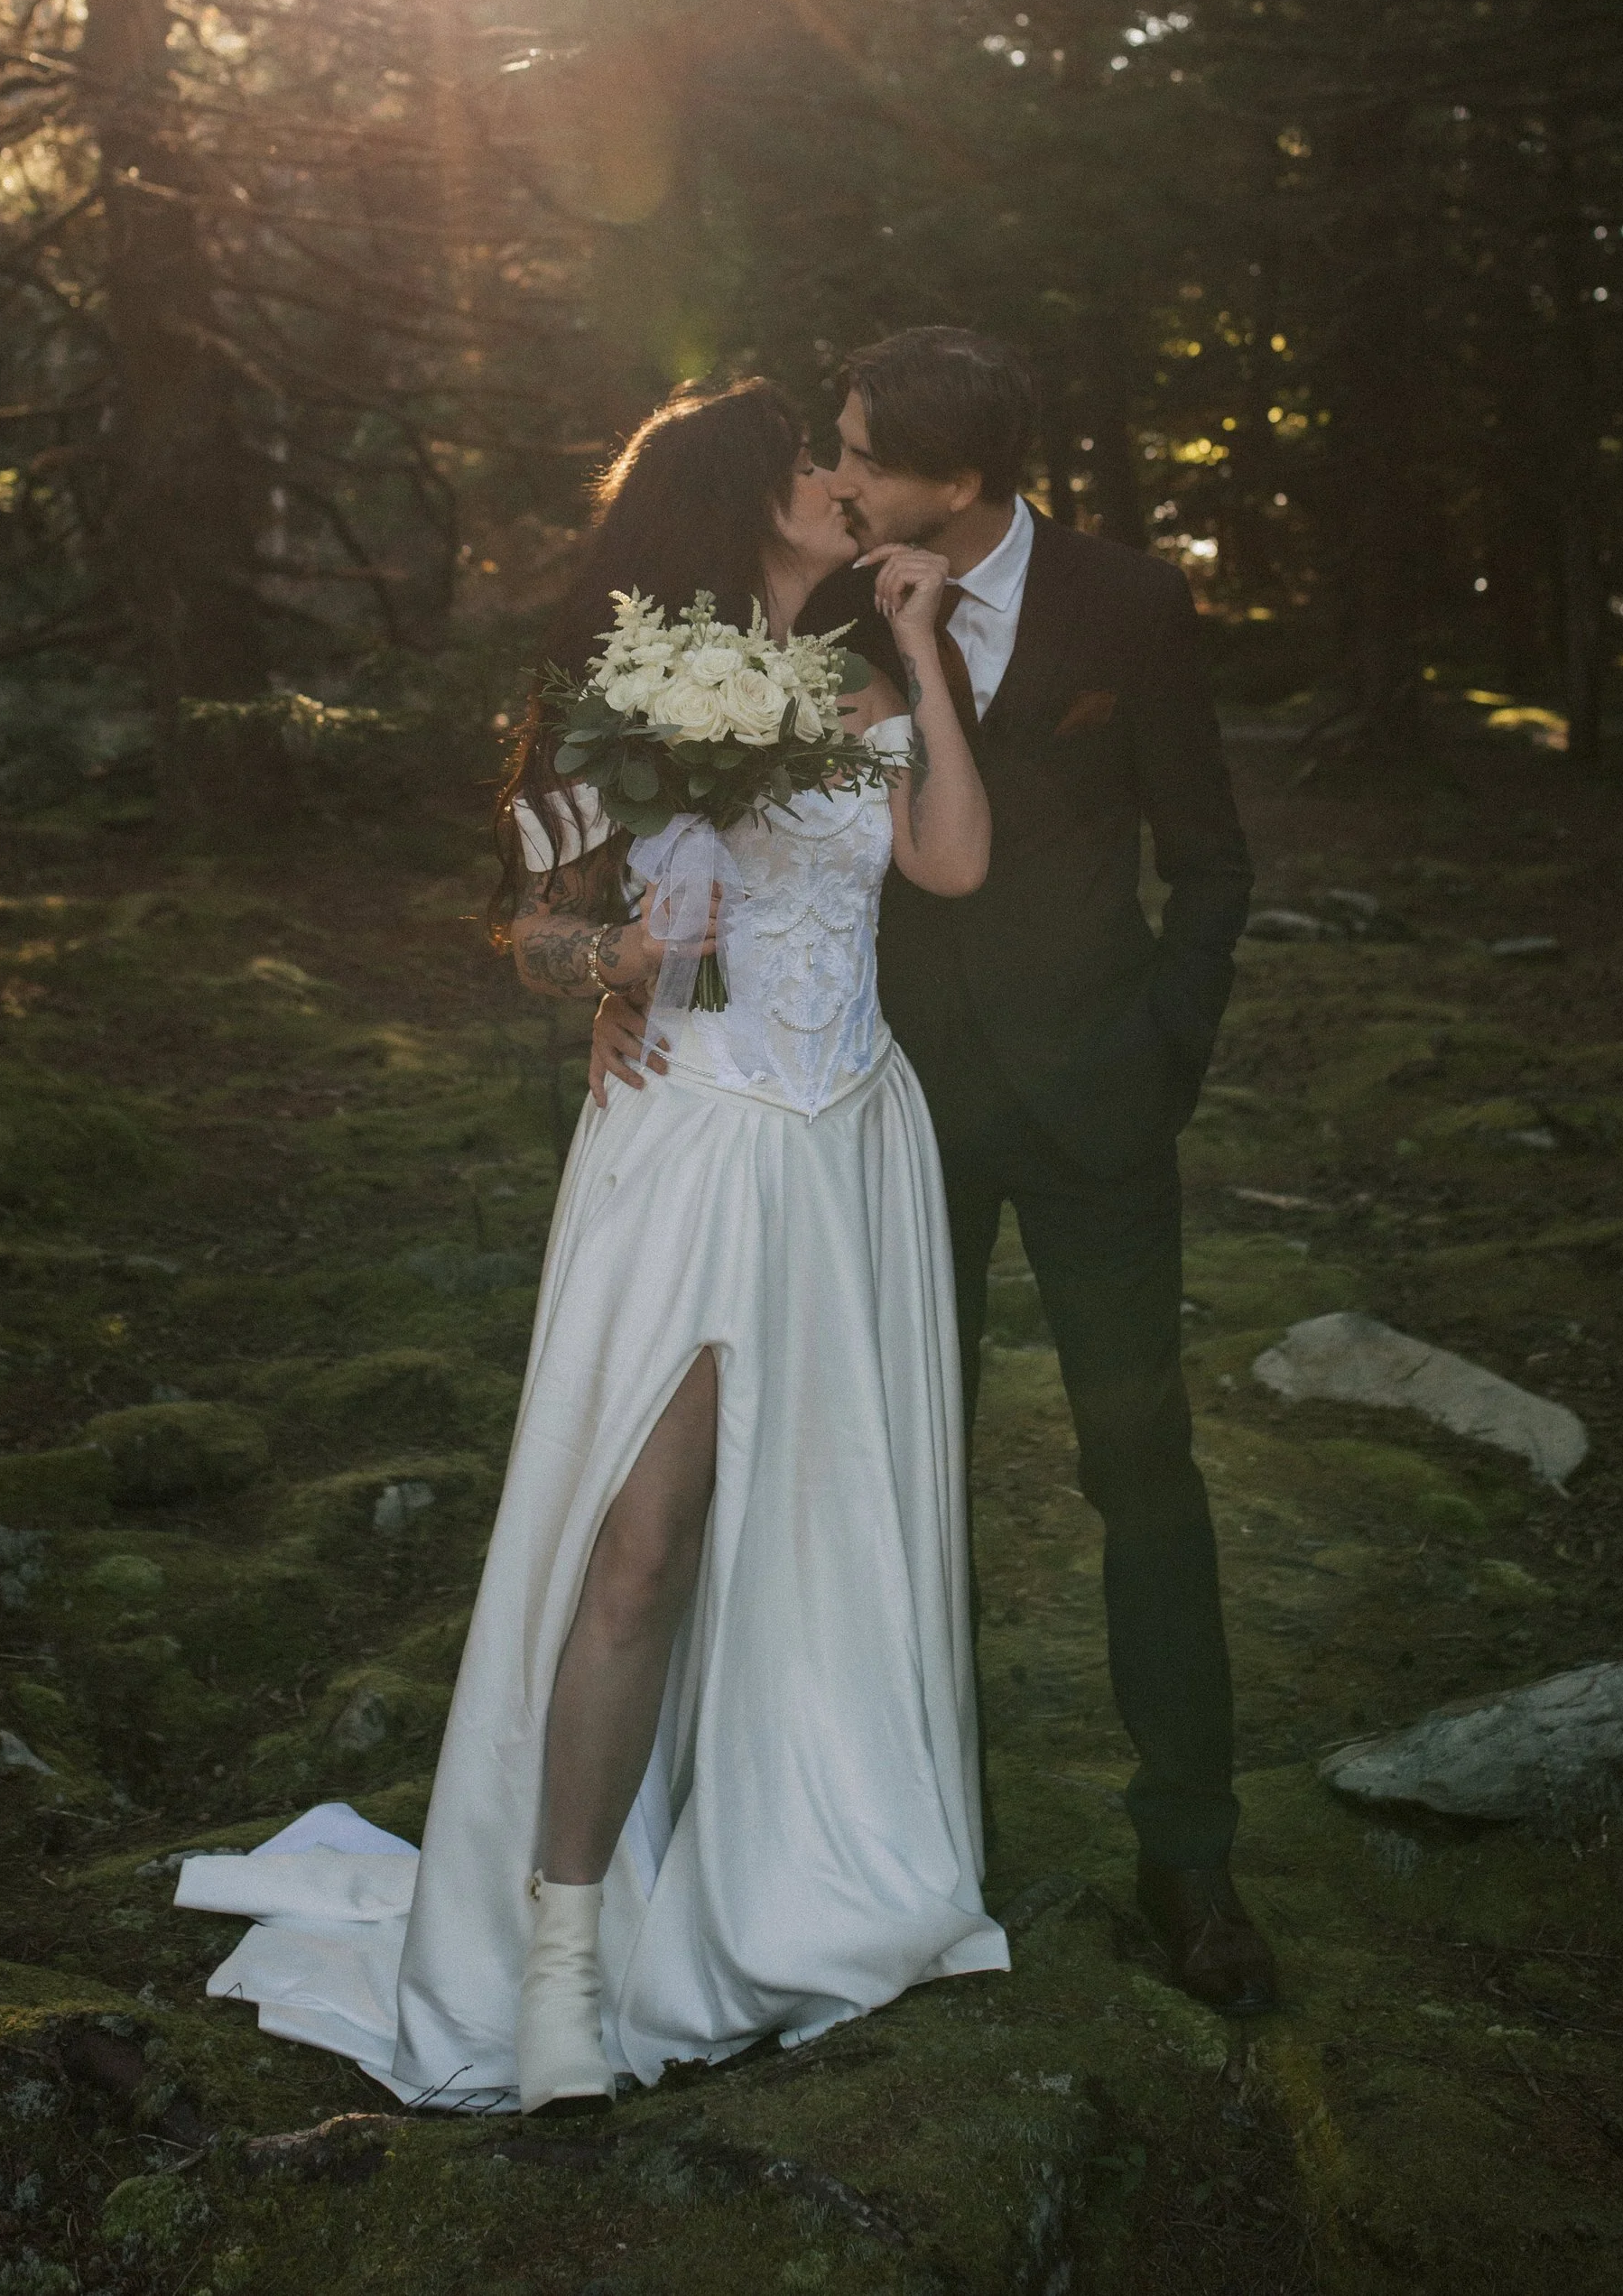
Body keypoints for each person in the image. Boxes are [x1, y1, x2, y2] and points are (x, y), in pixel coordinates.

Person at [595, 329, 1272, 2015]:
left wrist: (1164, 1053)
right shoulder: (815, 605)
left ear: (957, 482)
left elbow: (1209, 857)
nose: (835, 474)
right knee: (895, 1472)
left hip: (1101, 1107)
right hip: (889, 1115)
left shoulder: (1132, 603)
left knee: (1145, 1468)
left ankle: (1192, 1859)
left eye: (862, 453)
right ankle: (918, 1842)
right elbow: (691, 827)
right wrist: (625, 979)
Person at [366, 378, 1003, 2112]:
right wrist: (619, 966)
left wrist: (923, 649)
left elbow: (951, 864)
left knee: (822, 1524)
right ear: (734, 493)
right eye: (811, 461)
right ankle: (560, 1960)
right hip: (696, 1135)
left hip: (850, 1136)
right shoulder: (633, 686)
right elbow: (534, 930)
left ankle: (792, 1873)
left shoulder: (868, 674)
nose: (843, 481)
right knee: (639, 1544)